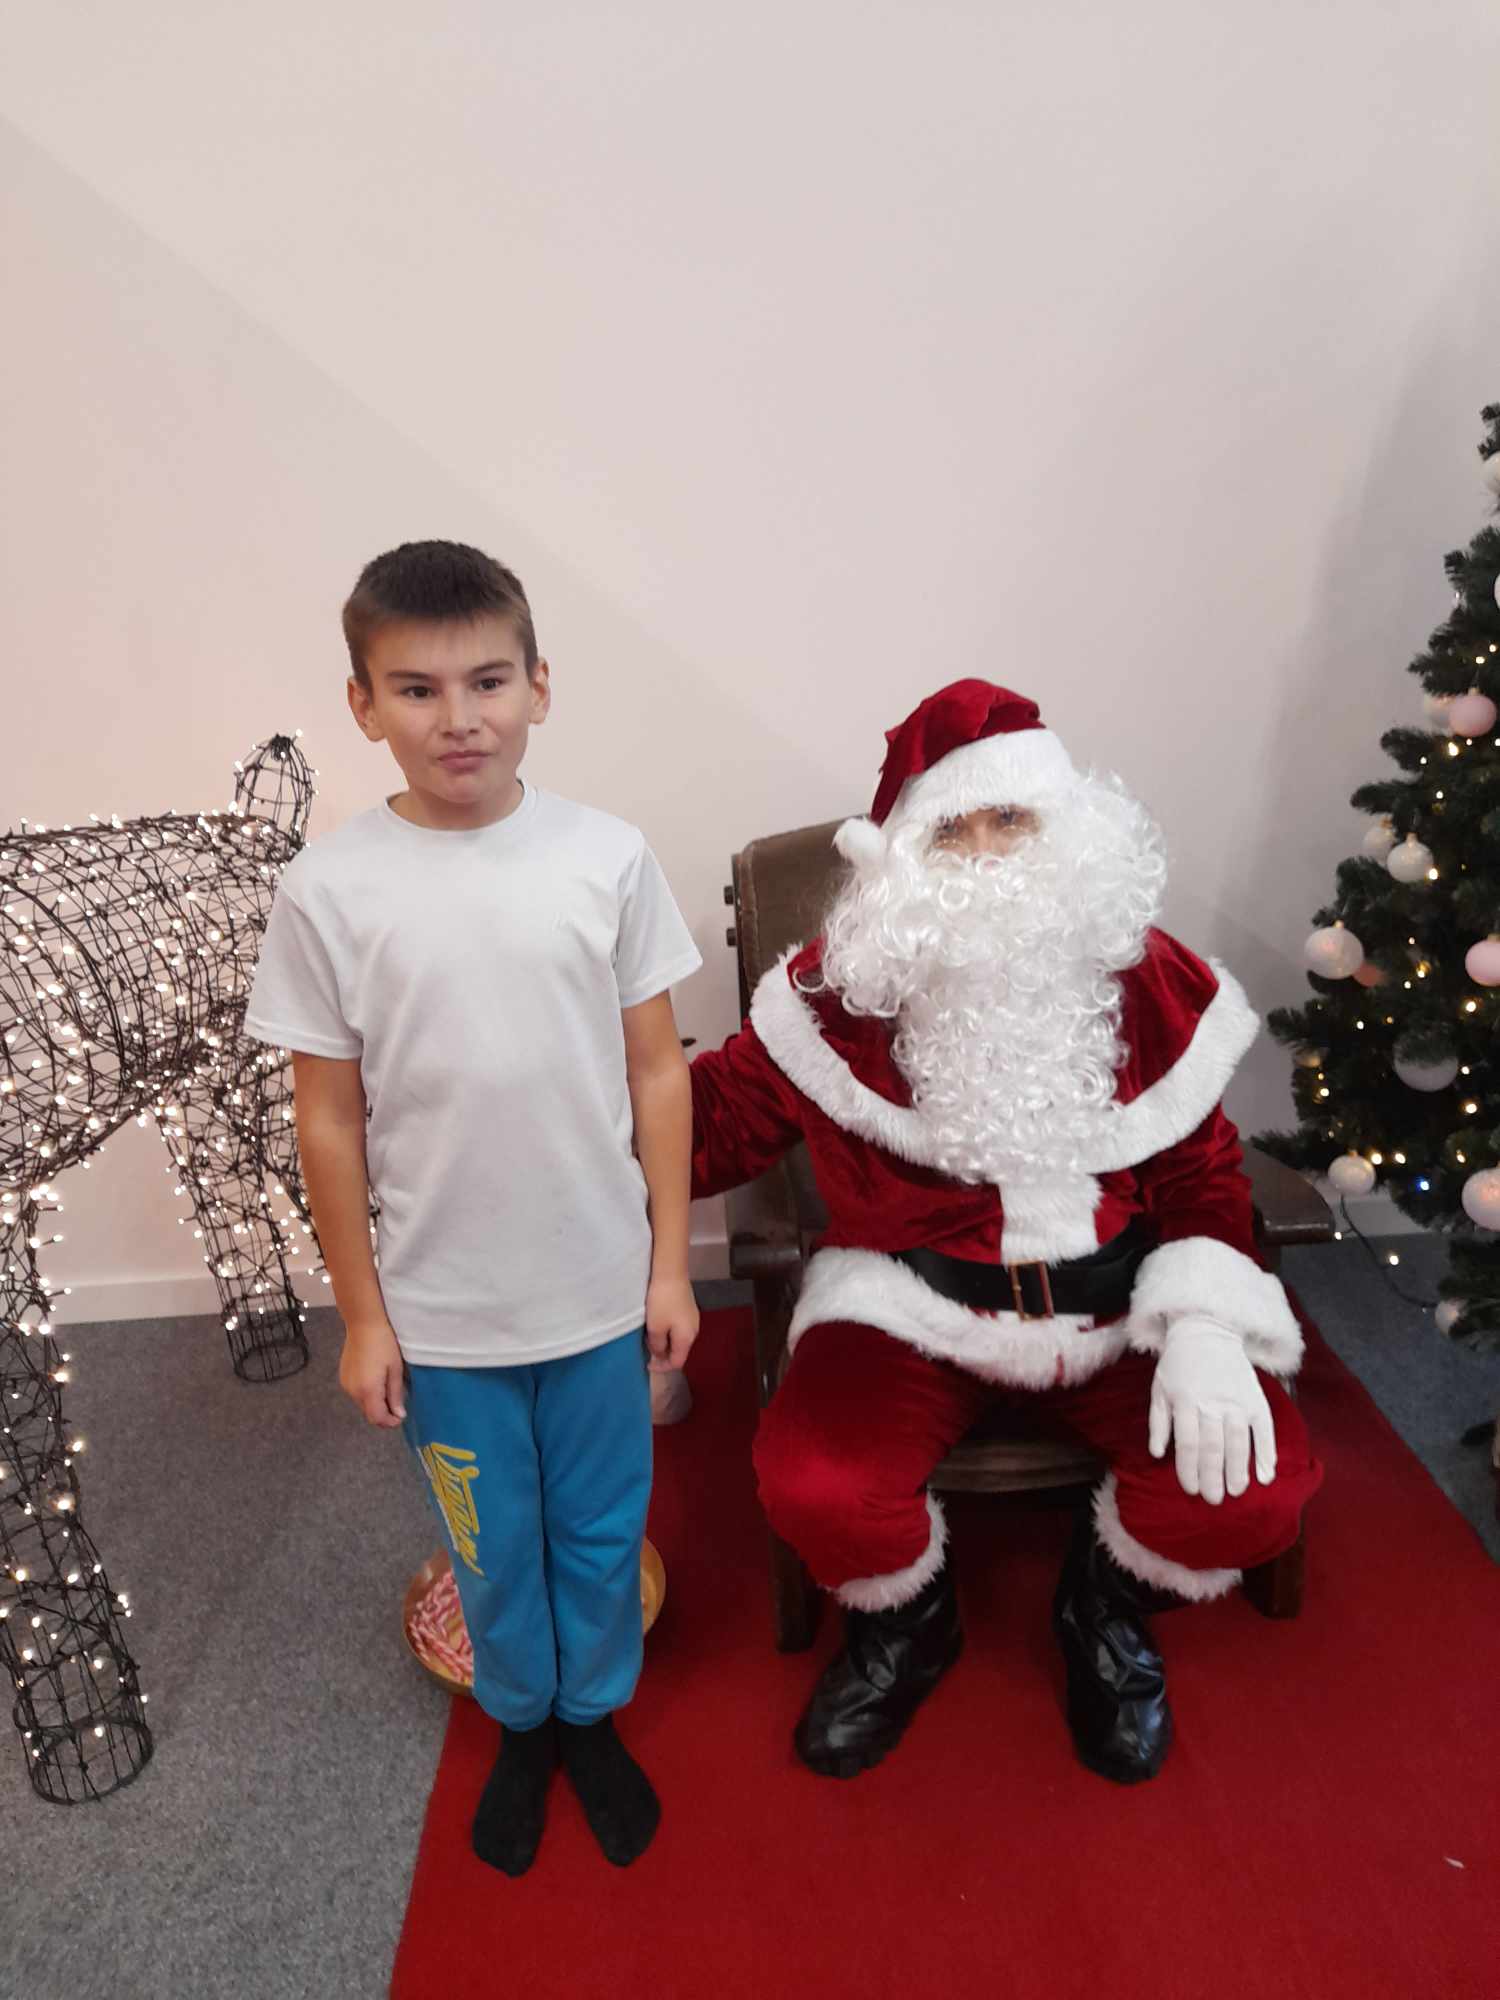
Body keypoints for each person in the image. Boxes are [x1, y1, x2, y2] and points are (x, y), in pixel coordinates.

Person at [690, 680, 1323, 1784]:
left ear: (1065, 830)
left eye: (1011, 820)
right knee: (818, 1485)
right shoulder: (840, 994)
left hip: (1119, 1307)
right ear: (904, 854)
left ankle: (1101, 1604)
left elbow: (1202, 1173)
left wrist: (1208, 1326)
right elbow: (713, 1127)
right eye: (951, 830)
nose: (984, 856)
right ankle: (910, 1625)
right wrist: (583, 1092)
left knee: (1255, 1491)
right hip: (911, 1306)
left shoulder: (1152, 980)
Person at [244, 541, 701, 1872]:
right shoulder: (330, 891)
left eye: (488, 681)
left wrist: (671, 1267)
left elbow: (658, 1072)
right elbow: (328, 1119)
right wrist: (362, 1317)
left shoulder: (606, 858)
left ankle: (592, 1714)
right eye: (417, 688)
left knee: (600, 1532)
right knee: (491, 1542)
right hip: (443, 1314)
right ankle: (523, 1719)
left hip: (597, 1291)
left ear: (540, 686)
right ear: (362, 705)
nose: (459, 718)